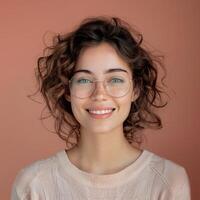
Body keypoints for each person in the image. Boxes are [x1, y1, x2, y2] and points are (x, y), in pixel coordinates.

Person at [11, 16, 191, 199]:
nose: (99, 94)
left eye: (115, 79)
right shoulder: (33, 185)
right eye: (84, 80)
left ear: (135, 89)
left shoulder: (168, 181)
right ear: (67, 90)